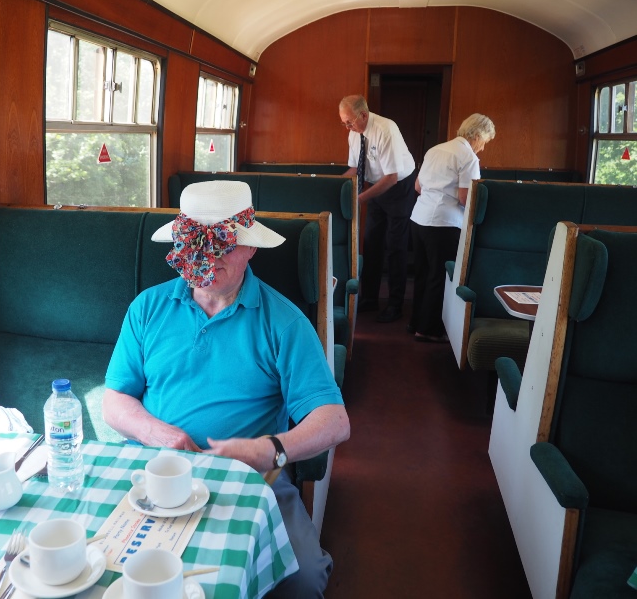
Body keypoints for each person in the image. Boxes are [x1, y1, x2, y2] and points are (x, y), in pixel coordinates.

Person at [102, 180, 350, 598]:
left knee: (304, 579)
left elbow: (335, 421)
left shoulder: (284, 321)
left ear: (250, 247)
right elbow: (114, 400)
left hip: (252, 478)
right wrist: (158, 434)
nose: (206, 257)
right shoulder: (146, 308)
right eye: (195, 245)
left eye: (221, 245)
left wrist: (272, 449)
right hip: (154, 471)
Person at [409, 113, 496, 342]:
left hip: (418, 219)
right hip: (443, 224)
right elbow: (465, 198)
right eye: (485, 141)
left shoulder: (435, 149)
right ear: (477, 135)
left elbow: (418, 187)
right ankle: (427, 329)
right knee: (439, 276)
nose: (483, 148)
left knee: (422, 274)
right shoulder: (468, 157)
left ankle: (415, 322)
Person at [339, 94, 417, 323]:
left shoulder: (386, 129)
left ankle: (395, 304)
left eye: (349, 122)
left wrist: (359, 199)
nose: (347, 127)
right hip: (375, 186)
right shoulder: (355, 133)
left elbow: (391, 177)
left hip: (398, 188)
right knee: (371, 242)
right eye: (343, 122)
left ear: (363, 114)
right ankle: (370, 298)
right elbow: (354, 169)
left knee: (395, 246)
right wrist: (333, 186)